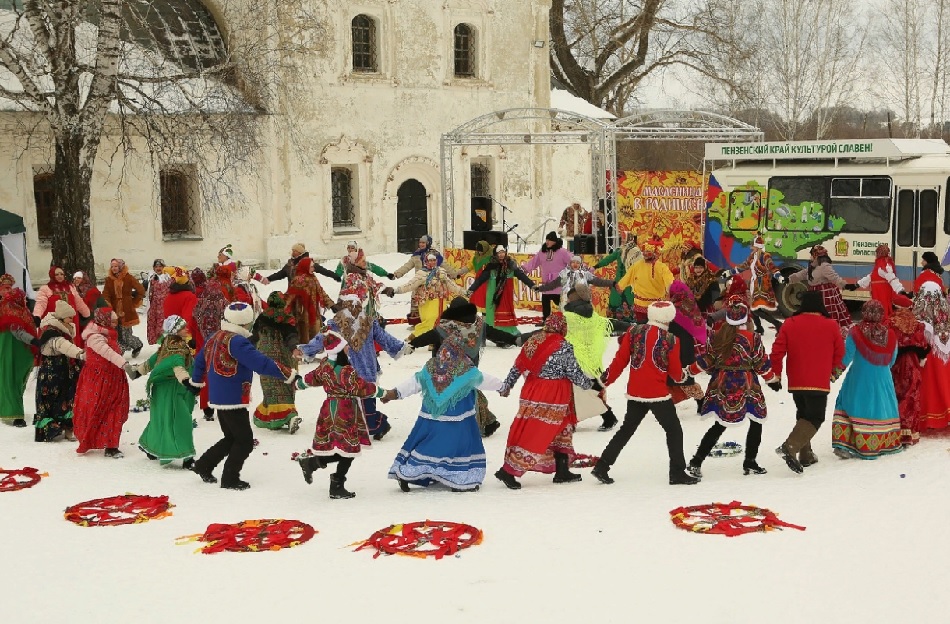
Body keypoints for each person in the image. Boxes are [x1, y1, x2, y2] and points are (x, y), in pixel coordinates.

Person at [189, 302, 297, 490]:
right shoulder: (237, 341)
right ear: (245, 323)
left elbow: (199, 360)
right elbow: (260, 363)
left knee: (231, 437)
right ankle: (230, 478)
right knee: (245, 442)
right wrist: (289, 374)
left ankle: (203, 465)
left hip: (219, 395)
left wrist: (196, 383)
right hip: (232, 396)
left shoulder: (215, 336)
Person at [591, 302, 699, 486]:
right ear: (669, 317)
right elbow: (675, 373)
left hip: (635, 392)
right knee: (673, 430)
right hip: (658, 394)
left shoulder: (633, 332)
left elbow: (620, 361)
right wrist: (686, 375)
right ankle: (677, 472)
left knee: (626, 430)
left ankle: (602, 466)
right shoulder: (672, 339)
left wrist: (603, 382)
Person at [385, 335, 504, 493]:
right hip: (458, 419)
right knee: (457, 446)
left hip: (431, 417)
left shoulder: (431, 367)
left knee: (427, 445)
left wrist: (395, 393)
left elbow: (415, 382)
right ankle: (456, 477)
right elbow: (484, 380)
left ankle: (408, 473)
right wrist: (502, 387)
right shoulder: (465, 368)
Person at [299, 275, 411, 441]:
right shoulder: (345, 323)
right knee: (356, 402)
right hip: (360, 369)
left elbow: (322, 339)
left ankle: (378, 424)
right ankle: (360, 426)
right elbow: (384, 339)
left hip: (347, 370)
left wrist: (306, 350)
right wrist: (401, 347)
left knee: (361, 402)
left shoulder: (346, 322)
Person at [494, 312, 594, 489]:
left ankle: (562, 470)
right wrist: (591, 385)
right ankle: (508, 471)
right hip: (553, 394)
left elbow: (518, 366)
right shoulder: (562, 345)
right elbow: (574, 373)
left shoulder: (533, 340)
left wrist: (508, 385)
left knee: (559, 428)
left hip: (532, 390)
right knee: (537, 432)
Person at [685, 300, 779, 479]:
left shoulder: (717, 336)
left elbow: (706, 360)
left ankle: (696, 461)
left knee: (720, 424)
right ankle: (750, 461)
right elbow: (761, 364)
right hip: (747, 385)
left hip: (722, 384)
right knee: (756, 421)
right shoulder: (753, 338)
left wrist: (689, 371)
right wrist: (772, 380)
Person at [294, 328, 388, 499]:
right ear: (339, 350)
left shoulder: (325, 366)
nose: (348, 349)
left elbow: (310, 379)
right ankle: (335, 482)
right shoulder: (346, 371)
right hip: (345, 411)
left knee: (343, 449)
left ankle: (314, 464)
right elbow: (362, 388)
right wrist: (382, 393)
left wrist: (298, 385)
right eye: (345, 347)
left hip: (329, 410)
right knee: (349, 450)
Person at [407, 296, 517, 436]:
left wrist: (413, 344)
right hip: (468, 368)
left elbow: (428, 337)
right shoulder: (478, 325)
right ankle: (486, 422)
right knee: (469, 391)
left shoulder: (446, 327)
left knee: (455, 397)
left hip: (447, 369)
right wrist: (514, 339)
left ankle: (466, 424)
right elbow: (496, 334)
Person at [769, 290, 846, 472]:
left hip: (796, 379)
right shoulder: (831, 325)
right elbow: (840, 353)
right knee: (816, 417)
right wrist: (832, 371)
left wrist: (776, 375)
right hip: (819, 379)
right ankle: (790, 446)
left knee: (804, 414)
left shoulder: (790, 323)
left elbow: (777, 351)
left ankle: (806, 454)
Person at [831, 300, 903, 460]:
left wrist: (834, 373)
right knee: (882, 408)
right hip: (883, 378)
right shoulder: (890, 334)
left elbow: (847, 355)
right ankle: (881, 443)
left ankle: (845, 444)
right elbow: (892, 360)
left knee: (850, 404)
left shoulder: (855, 332)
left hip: (859, 377)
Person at [128, 315, 197, 467]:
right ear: (175, 331)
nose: (186, 329)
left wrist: (138, 371)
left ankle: (149, 445)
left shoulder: (167, 344)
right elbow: (178, 366)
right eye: (183, 328)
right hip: (172, 390)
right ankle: (187, 457)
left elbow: (154, 360)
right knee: (181, 421)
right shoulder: (177, 349)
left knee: (161, 418)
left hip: (161, 390)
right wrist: (187, 382)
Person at [561, 283, 624, 431]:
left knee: (576, 393)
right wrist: (634, 326)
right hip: (592, 362)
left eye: (569, 299)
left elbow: (550, 329)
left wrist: (523, 338)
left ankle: (573, 421)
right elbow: (613, 324)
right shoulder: (595, 318)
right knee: (592, 390)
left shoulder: (567, 317)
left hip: (575, 361)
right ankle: (607, 418)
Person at [72, 307, 130, 458]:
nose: (115, 324)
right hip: (99, 380)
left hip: (113, 377)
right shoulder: (95, 337)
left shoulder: (108, 334)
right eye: (113, 321)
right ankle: (96, 440)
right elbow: (108, 353)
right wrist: (125, 365)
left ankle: (111, 445)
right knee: (100, 410)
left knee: (115, 410)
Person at [251, 292, 301, 434]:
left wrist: (247, 351)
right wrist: (294, 349)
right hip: (284, 357)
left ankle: (277, 420)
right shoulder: (286, 317)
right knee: (286, 383)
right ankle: (289, 416)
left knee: (270, 388)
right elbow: (291, 335)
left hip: (264, 358)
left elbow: (254, 337)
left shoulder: (262, 317)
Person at [34, 300, 85, 441]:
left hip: (61, 370)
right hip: (53, 372)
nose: (72, 320)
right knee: (54, 398)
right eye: (69, 317)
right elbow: (65, 346)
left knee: (66, 397)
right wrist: (82, 354)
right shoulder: (53, 334)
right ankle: (54, 428)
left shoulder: (61, 329)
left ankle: (68, 429)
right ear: (61, 318)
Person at [384, 252, 466, 338]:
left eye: (434, 260)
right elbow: (410, 285)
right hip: (427, 303)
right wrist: (396, 290)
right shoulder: (422, 273)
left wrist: (463, 292)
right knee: (430, 322)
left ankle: (434, 342)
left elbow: (450, 285)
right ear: (426, 262)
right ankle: (414, 337)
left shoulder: (441, 272)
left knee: (441, 322)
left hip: (441, 302)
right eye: (430, 260)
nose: (432, 262)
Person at [467, 245, 536, 336]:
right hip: (493, 295)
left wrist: (532, 285)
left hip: (505, 295)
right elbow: (481, 279)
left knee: (504, 314)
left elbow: (522, 276)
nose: (501, 255)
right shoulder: (491, 266)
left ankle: (506, 335)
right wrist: (472, 289)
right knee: (492, 315)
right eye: (499, 253)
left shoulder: (511, 265)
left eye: (502, 252)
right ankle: (495, 335)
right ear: (495, 254)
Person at [392, 235, 462, 325]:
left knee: (430, 305)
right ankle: (418, 324)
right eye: (420, 242)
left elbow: (445, 265)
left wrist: (454, 274)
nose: (421, 244)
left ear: (428, 243)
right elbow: (407, 266)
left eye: (423, 243)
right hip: (418, 283)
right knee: (416, 303)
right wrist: (397, 274)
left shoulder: (434, 255)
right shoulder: (416, 255)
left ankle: (430, 322)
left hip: (431, 286)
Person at [721, 235, 784, 333]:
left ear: (757, 246)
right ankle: (760, 327)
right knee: (753, 307)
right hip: (754, 284)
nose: (751, 247)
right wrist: (729, 272)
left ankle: (776, 323)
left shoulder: (765, 256)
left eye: (752, 245)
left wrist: (778, 276)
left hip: (762, 284)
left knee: (755, 308)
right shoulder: (752, 256)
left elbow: (772, 267)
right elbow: (743, 267)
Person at [788, 245, 852, 336]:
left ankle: (829, 333)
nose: (810, 256)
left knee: (826, 315)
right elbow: (802, 274)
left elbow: (835, 278)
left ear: (816, 255)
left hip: (824, 295)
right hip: (814, 294)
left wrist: (846, 285)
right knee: (813, 316)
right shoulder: (814, 265)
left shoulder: (824, 266)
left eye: (812, 254)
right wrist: (789, 279)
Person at [889, 303, 929, 446]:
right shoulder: (917, 326)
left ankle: (893, 431)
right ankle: (909, 432)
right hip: (913, 366)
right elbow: (924, 347)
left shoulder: (891, 324)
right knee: (911, 398)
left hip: (895, 365)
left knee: (895, 396)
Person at [913, 282, 950, 432]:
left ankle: (927, 417)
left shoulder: (921, 308)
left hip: (926, 352)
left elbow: (919, 328)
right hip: (944, 351)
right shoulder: (944, 306)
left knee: (928, 385)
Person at [0, 287, 37, 428]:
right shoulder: (12, 311)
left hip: (13, 353)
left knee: (10, 381)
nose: (25, 300)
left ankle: (10, 410)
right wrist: (34, 341)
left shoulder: (14, 309)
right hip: (15, 353)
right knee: (13, 381)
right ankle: (17, 415)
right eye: (23, 298)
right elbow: (18, 332)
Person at [616, 236, 675, 323]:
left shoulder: (662, 267)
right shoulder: (637, 266)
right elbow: (627, 277)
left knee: (655, 328)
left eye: (649, 252)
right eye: (645, 251)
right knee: (642, 329)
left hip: (656, 306)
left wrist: (670, 292)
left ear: (655, 253)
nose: (646, 254)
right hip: (640, 305)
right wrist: (620, 286)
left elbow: (669, 282)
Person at [521, 232, 573, 320]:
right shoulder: (542, 252)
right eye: (547, 240)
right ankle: (546, 320)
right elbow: (534, 262)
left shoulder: (562, 252)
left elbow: (573, 261)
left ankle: (567, 319)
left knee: (561, 303)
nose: (547, 242)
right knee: (545, 301)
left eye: (550, 240)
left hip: (558, 284)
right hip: (547, 283)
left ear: (554, 242)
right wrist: (524, 269)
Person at [33, 265, 90, 344]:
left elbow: (78, 302)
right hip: (55, 321)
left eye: (61, 274)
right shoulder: (45, 289)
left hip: (71, 321)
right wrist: (37, 315)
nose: (60, 276)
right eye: (57, 274)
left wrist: (86, 314)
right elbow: (40, 303)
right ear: (52, 275)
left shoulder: (70, 287)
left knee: (71, 343)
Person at [283, 256, 334, 344]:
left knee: (317, 339)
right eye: (311, 266)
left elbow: (321, 291)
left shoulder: (313, 278)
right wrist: (281, 308)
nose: (313, 269)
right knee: (305, 341)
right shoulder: (298, 280)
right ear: (305, 266)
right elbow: (290, 296)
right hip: (303, 315)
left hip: (314, 313)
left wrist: (331, 304)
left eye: (313, 266)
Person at [847, 244, 905, 319]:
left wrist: (900, 290)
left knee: (882, 310)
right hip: (878, 293)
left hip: (882, 293)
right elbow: (871, 276)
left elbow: (892, 278)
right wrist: (857, 285)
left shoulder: (884, 265)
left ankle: (883, 325)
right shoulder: (880, 264)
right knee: (880, 309)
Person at [594, 232, 641, 322]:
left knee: (629, 301)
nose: (622, 241)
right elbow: (608, 259)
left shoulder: (636, 253)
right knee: (615, 301)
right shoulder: (619, 251)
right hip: (618, 282)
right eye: (622, 239)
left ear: (630, 239)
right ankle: (614, 325)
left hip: (630, 282)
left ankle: (630, 326)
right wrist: (596, 266)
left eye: (624, 239)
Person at [102, 258, 145, 357]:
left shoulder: (128, 277)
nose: (114, 268)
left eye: (116, 266)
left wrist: (133, 302)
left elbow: (141, 290)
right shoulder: (109, 280)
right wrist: (107, 305)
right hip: (114, 310)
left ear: (120, 267)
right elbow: (106, 294)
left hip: (127, 310)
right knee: (116, 334)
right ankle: (119, 352)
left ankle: (138, 345)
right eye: (112, 266)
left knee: (126, 335)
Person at [537, 255, 616, 306]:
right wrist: (540, 288)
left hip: (582, 301)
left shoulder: (585, 274)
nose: (575, 264)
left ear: (580, 264)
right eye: (573, 262)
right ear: (570, 263)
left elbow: (599, 282)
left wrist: (612, 283)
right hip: (567, 301)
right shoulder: (564, 274)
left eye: (577, 263)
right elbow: (552, 285)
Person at [258, 242, 340, 286]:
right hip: (293, 291)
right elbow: (281, 274)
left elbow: (322, 270)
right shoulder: (290, 264)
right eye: (292, 250)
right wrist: (269, 279)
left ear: (300, 252)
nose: (293, 252)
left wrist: (334, 275)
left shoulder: (307, 263)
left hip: (306, 291)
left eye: (295, 251)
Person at [162, 267, 199, 352]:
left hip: (170, 333)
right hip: (184, 334)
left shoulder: (169, 296)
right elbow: (188, 316)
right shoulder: (189, 296)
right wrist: (189, 337)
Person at [145, 259, 171, 345]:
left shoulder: (168, 278)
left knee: (163, 325)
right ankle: (159, 343)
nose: (158, 268)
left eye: (160, 266)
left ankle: (164, 343)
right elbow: (148, 292)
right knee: (154, 324)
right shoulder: (151, 278)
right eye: (156, 266)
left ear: (164, 267)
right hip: (154, 306)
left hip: (165, 306)